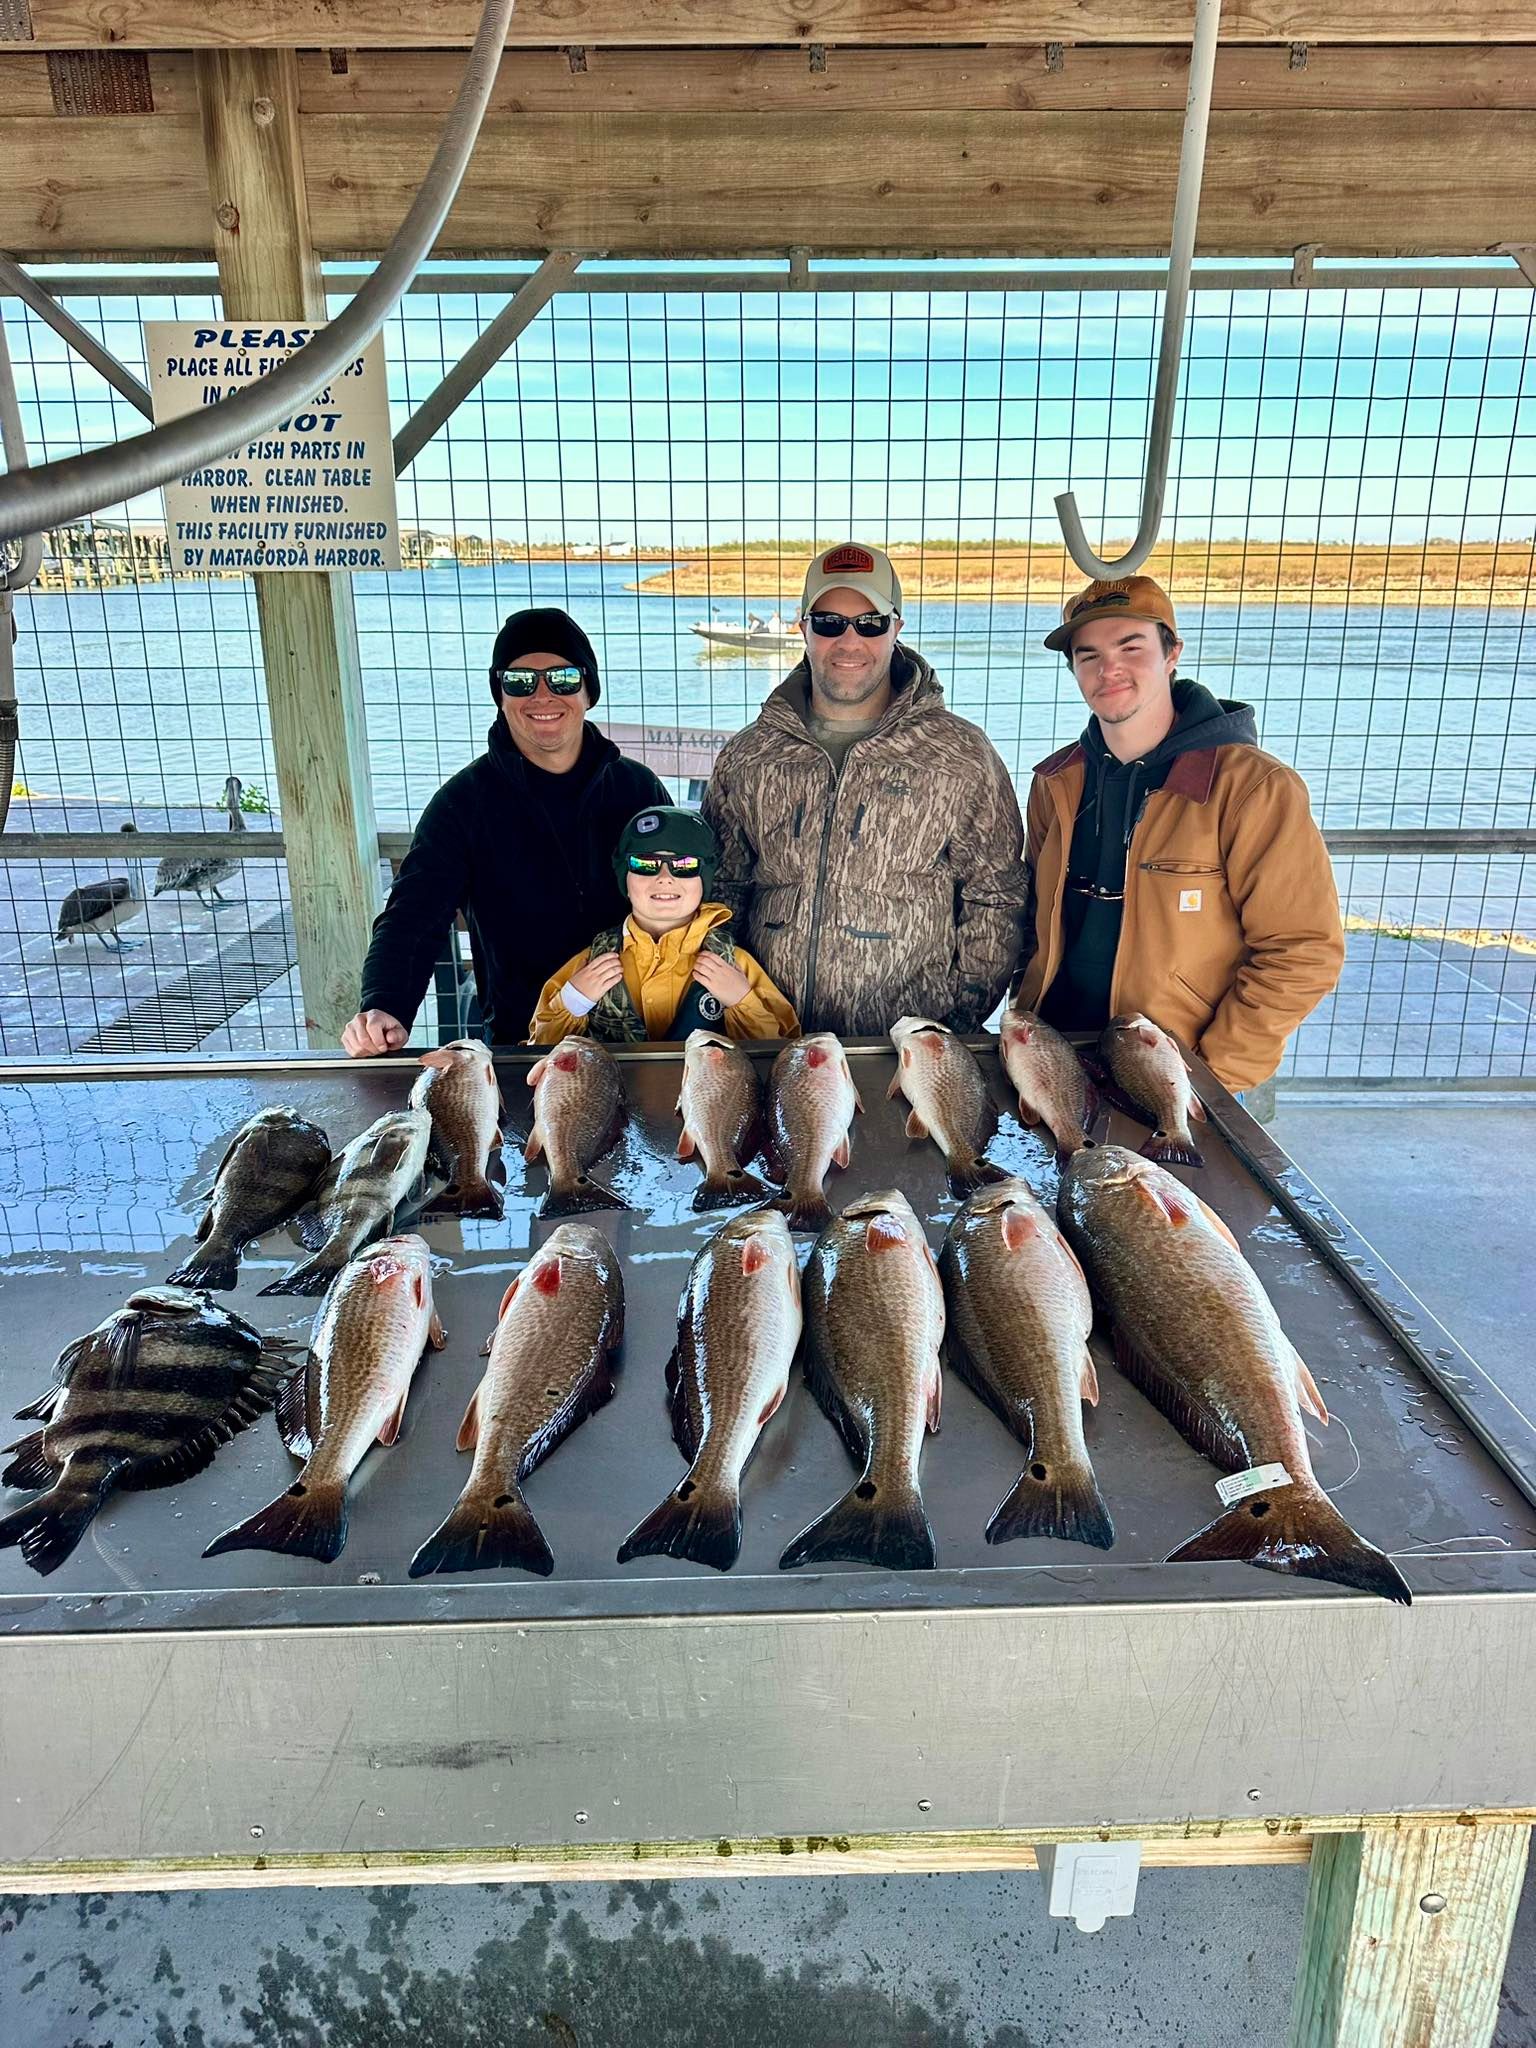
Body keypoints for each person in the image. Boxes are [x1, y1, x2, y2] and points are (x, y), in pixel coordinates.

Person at [1015, 574, 1345, 1092]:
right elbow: (1034, 915)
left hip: (1179, 1072)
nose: (1110, 669)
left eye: (1131, 646)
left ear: (1172, 654)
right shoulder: (1055, 781)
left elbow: (1301, 950)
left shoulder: (1254, 788)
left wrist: (1213, 1076)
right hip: (1057, 1058)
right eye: (1089, 655)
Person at [701, 542, 1026, 1036]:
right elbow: (721, 889)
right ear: (803, 626)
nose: (849, 641)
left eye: (870, 623)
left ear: (897, 625)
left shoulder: (960, 754)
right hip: (769, 1042)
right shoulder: (751, 754)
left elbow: (996, 895)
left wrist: (952, 1024)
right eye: (829, 623)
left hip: (905, 1051)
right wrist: (742, 1013)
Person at [341, 607, 669, 1054]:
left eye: (563, 678)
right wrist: (384, 1004)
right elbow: (413, 916)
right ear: (500, 693)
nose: (542, 695)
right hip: (524, 1041)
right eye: (519, 681)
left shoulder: (638, 787)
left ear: (588, 691)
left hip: (643, 1038)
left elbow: (691, 894)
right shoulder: (463, 802)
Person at [529, 806, 798, 1044]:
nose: (665, 877)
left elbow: (784, 1054)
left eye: (684, 865)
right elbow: (541, 1052)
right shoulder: (590, 962)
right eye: (646, 864)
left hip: (711, 1100)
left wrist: (743, 1001)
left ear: (704, 878)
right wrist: (573, 1001)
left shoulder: (735, 964)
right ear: (625, 876)